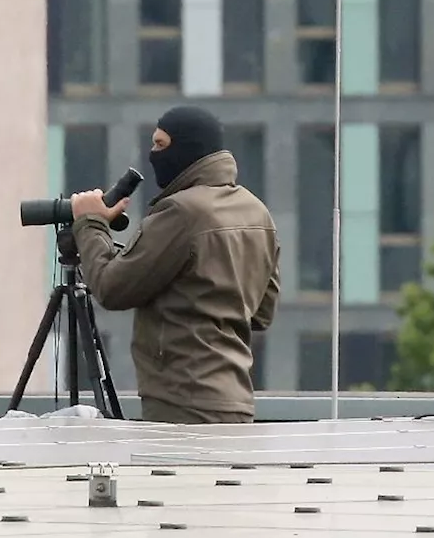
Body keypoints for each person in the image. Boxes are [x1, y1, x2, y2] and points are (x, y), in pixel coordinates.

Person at [67, 106, 280, 424]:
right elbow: (261, 314)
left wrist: (90, 224)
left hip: (181, 399)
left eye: (160, 144)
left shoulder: (181, 212)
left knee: (177, 475)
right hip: (235, 399)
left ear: (189, 148)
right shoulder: (257, 212)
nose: (152, 154)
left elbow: (111, 289)